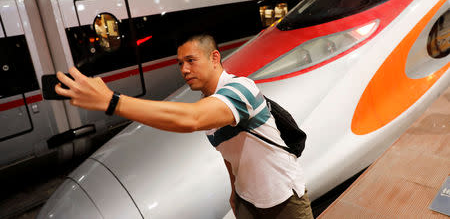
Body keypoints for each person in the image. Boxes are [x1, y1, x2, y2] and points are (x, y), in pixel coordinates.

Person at [55, 34, 314, 219]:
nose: (184, 69)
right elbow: (228, 152)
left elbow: (192, 119)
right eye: (180, 63)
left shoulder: (240, 89)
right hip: (248, 200)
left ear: (215, 58)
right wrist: (235, 191)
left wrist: (112, 102)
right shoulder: (208, 101)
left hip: (283, 198)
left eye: (191, 60)